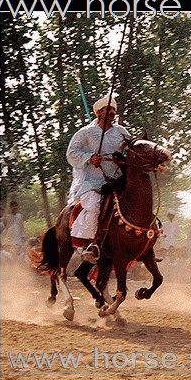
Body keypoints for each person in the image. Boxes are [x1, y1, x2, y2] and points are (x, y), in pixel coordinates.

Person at [66, 95, 130, 263]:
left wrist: (123, 158)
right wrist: (89, 158)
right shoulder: (85, 133)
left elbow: (131, 150)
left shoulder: (121, 132)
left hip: (116, 181)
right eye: (108, 109)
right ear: (99, 112)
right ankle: (91, 245)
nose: (112, 113)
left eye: (114, 110)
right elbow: (71, 154)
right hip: (92, 183)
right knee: (94, 206)